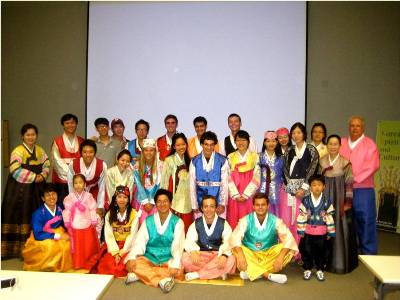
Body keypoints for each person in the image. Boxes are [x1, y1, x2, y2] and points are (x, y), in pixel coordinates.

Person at [1, 123, 50, 259]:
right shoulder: (17, 151)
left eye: (33, 134)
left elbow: (47, 164)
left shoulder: (40, 150)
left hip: (37, 189)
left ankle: (36, 248)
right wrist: (35, 176)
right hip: (19, 190)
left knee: (37, 214)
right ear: (22, 136)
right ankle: (17, 250)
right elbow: (15, 170)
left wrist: (43, 175)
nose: (31, 137)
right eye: (28, 134)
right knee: (20, 214)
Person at [124, 189, 185, 293]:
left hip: (168, 259)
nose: (162, 204)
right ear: (155, 204)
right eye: (159, 201)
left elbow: (177, 246)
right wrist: (132, 257)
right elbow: (140, 241)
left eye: (165, 201)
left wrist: (175, 264)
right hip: (149, 258)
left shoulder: (178, 222)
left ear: (170, 203)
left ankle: (141, 275)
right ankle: (161, 281)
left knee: (178, 270)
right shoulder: (148, 221)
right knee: (133, 264)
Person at [231, 193, 298, 283]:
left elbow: (289, 239)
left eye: (263, 205)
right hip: (251, 254)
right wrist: (241, 255)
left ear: (268, 206)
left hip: (268, 254)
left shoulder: (276, 221)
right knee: (235, 249)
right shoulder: (245, 220)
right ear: (253, 206)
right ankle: (268, 275)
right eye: (257, 205)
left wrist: (280, 257)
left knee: (289, 250)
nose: (260, 207)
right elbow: (235, 238)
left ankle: (252, 271)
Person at [339, 116, 380, 255]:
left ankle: (368, 252)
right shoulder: (342, 143)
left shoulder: (370, 144)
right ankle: (350, 251)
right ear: (348, 127)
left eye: (357, 126)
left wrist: (353, 179)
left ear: (363, 128)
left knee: (366, 220)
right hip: (344, 189)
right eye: (352, 125)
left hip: (363, 188)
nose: (354, 128)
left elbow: (373, 166)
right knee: (346, 220)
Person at [320, 134, 358, 273]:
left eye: (336, 144)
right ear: (327, 145)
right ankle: (323, 262)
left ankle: (339, 262)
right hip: (325, 198)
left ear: (340, 146)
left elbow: (349, 184)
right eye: (330, 144)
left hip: (339, 197)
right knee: (323, 225)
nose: (333, 147)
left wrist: (347, 203)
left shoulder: (345, 162)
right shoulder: (322, 161)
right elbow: (318, 182)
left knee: (339, 226)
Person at [182, 195, 236, 281]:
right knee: (185, 258)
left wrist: (224, 255)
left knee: (231, 259)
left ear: (216, 208)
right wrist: (193, 251)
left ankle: (198, 274)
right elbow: (189, 240)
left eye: (212, 206)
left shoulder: (223, 223)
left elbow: (229, 241)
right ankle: (217, 272)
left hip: (217, 256)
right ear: (202, 208)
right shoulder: (196, 224)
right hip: (201, 255)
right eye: (206, 207)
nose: (209, 210)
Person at [282, 122, 319, 245]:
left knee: (304, 220)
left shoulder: (311, 150)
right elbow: (285, 170)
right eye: (293, 133)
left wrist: (303, 189)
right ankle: (291, 250)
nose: (296, 135)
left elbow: (313, 169)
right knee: (289, 221)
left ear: (304, 134)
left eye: (299, 132)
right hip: (291, 191)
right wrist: (293, 189)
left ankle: (303, 252)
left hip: (306, 191)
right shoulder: (289, 151)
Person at [22, 184, 72, 272]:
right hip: (42, 235)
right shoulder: (37, 213)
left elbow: (65, 223)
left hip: (58, 231)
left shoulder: (60, 209)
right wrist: (57, 236)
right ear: (43, 198)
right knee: (50, 247)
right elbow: (38, 234)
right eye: (48, 195)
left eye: (53, 194)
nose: (51, 197)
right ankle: (48, 268)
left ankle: (62, 266)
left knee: (68, 244)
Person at [92, 186, 138, 277]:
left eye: (125, 197)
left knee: (123, 265)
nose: (122, 200)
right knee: (107, 265)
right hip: (113, 245)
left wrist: (121, 253)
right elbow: (109, 235)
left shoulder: (134, 214)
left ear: (128, 199)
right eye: (119, 197)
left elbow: (132, 235)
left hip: (128, 246)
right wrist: (116, 252)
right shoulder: (109, 214)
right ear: (115, 198)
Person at [297, 175, 335, 281]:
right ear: (310, 187)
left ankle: (319, 269)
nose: (316, 187)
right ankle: (307, 268)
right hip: (308, 231)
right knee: (307, 250)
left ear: (324, 186)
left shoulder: (327, 201)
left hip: (322, 232)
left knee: (321, 251)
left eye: (319, 185)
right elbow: (301, 215)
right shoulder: (305, 200)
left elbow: (330, 217)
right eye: (314, 185)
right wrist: (301, 230)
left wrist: (330, 232)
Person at [63, 174, 100, 269]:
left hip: (86, 220)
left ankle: (88, 261)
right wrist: (67, 220)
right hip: (75, 221)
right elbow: (67, 210)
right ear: (72, 185)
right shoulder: (70, 197)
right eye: (76, 183)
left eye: (80, 183)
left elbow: (92, 208)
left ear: (84, 184)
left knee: (87, 243)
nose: (78, 185)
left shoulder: (88, 196)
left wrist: (93, 219)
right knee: (77, 244)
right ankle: (78, 262)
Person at [189, 131, 229, 219]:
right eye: (206, 144)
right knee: (200, 228)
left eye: (211, 144)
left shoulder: (222, 160)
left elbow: (225, 183)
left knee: (219, 228)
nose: (209, 147)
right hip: (200, 202)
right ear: (202, 144)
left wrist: (222, 203)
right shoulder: (194, 161)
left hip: (217, 201)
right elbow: (192, 184)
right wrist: (194, 205)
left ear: (215, 145)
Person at [227, 130, 260, 229]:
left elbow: (257, 176)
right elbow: (227, 177)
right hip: (234, 195)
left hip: (249, 195)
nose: (240, 142)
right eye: (238, 140)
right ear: (235, 142)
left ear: (248, 142)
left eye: (243, 140)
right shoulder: (230, 157)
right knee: (234, 219)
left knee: (249, 219)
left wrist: (246, 194)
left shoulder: (255, 156)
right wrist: (235, 194)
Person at [67, 139, 107, 221]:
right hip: (78, 196)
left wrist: (100, 206)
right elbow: (71, 184)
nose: (88, 155)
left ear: (95, 152)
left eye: (91, 152)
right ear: (81, 152)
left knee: (95, 220)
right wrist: (74, 202)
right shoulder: (73, 164)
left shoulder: (102, 165)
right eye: (84, 152)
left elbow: (102, 187)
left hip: (95, 195)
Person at [161, 133, 193, 232]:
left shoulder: (190, 161)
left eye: (183, 144)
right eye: (178, 145)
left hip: (187, 199)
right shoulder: (169, 160)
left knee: (186, 228)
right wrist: (164, 199)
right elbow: (164, 181)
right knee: (173, 228)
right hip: (173, 199)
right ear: (174, 146)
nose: (181, 147)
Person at [51, 113, 84, 206]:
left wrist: (77, 177)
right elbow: (57, 162)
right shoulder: (57, 141)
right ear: (63, 125)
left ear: (76, 124)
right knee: (63, 206)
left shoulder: (82, 141)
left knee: (78, 207)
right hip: (62, 181)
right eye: (67, 123)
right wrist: (71, 175)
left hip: (78, 181)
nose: (70, 125)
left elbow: (85, 160)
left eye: (73, 123)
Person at [132, 138, 162, 223]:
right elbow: (139, 185)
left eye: (151, 150)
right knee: (141, 224)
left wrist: (152, 201)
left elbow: (159, 184)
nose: (149, 153)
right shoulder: (137, 166)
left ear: (155, 151)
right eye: (146, 150)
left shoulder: (160, 166)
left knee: (155, 224)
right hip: (141, 200)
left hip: (156, 201)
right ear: (143, 152)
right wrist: (145, 202)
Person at [258, 131, 285, 217]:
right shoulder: (258, 157)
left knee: (276, 215)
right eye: (268, 141)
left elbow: (284, 175)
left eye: (273, 141)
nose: (271, 143)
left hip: (277, 190)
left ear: (277, 142)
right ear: (264, 142)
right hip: (261, 190)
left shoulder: (281, 158)